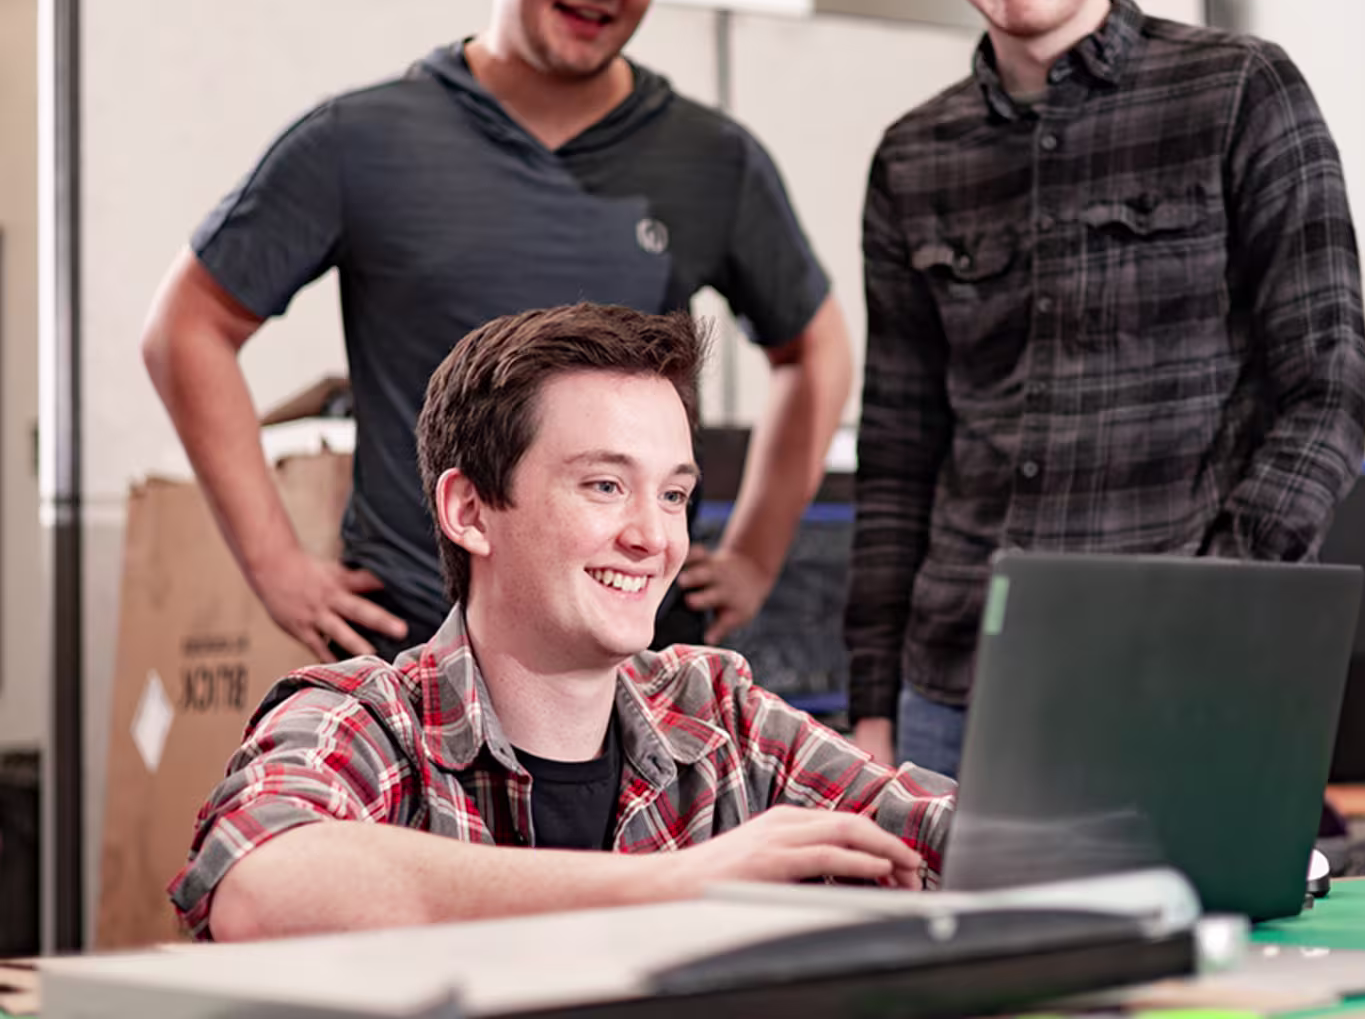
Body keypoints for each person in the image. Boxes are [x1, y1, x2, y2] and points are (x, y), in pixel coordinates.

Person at [142, 0, 849, 662]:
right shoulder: (359, 141)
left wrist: (756, 556)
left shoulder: (711, 159)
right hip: (419, 646)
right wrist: (275, 566)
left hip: (633, 652)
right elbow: (187, 328)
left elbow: (815, 349)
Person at [847, 0, 1365, 777]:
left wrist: (1218, 605)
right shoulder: (913, 157)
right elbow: (900, 453)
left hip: (1187, 665)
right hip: (954, 688)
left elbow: (1326, 396)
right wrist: (871, 704)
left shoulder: (1240, 91)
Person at [169, 304, 951, 943]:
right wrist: (677, 884)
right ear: (470, 511)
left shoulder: (720, 717)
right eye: (606, 485)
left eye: (674, 495)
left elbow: (957, 839)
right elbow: (258, 886)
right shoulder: (366, 720)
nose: (654, 538)